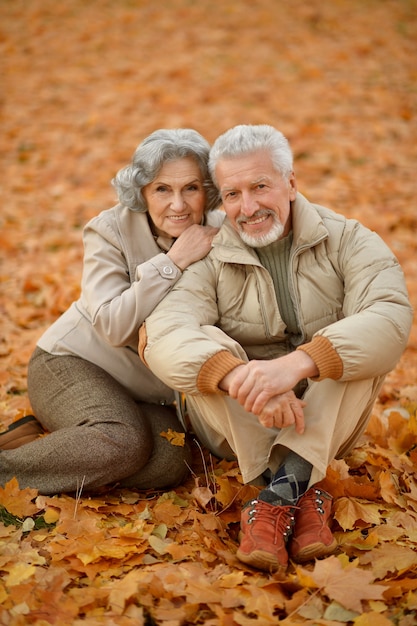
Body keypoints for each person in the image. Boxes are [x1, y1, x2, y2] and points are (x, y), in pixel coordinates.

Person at [139, 124, 413, 575]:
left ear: (291, 182)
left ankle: (273, 499)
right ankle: (305, 490)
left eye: (260, 186)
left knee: (355, 339)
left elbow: (390, 317)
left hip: (331, 417)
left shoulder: (349, 240)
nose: (247, 208)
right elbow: (163, 332)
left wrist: (299, 364)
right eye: (231, 195)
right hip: (235, 428)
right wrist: (238, 376)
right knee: (206, 346)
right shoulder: (207, 254)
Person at [0, 128, 224, 496]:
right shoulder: (109, 230)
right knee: (123, 442)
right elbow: (112, 327)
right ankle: (7, 471)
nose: (178, 205)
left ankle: (46, 447)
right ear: (142, 192)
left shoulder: (217, 232)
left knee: (168, 462)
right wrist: (174, 261)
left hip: (144, 390)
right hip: (71, 363)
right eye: (162, 189)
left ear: (208, 191)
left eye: (191, 188)